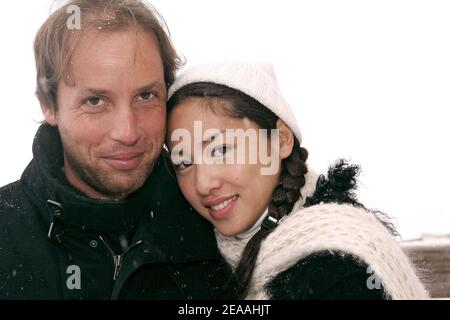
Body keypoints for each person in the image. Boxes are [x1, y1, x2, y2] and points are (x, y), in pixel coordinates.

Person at [0, 1, 232, 300]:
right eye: (95, 101)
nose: (128, 132)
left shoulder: (220, 216)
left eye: (146, 96)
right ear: (49, 105)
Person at [165, 61, 429, 299]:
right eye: (184, 163)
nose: (203, 183)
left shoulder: (342, 269)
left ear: (280, 140)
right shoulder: (200, 259)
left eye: (221, 150)